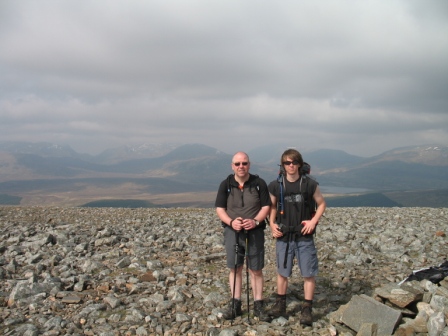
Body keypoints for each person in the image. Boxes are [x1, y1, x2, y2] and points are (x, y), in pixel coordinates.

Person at [268, 148, 326, 326]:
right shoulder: (275, 185)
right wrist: (271, 224)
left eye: (294, 162)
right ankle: (280, 304)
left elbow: (322, 203)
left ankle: (307, 308)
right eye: (287, 163)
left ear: (300, 164)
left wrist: (313, 221)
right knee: (282, 272)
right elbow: (272, 207)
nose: (291, 165)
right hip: (284, 234)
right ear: (282, 165)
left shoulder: (309, 184)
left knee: (308, 273)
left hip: (304, 235)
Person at [215, 151, 271, 321]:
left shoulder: (259, 183)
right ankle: (235, 304)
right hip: (233, 231)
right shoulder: (226, 184)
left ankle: (258, 305)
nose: (241, 167)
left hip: (255, 231)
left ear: (249, 165)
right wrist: (231, 223)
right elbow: (220, 208)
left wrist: (255, 221)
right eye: (238, 164)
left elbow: (266, 206)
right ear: (232, 166)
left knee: (256, 268)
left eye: (244, 163)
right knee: (235, 267)